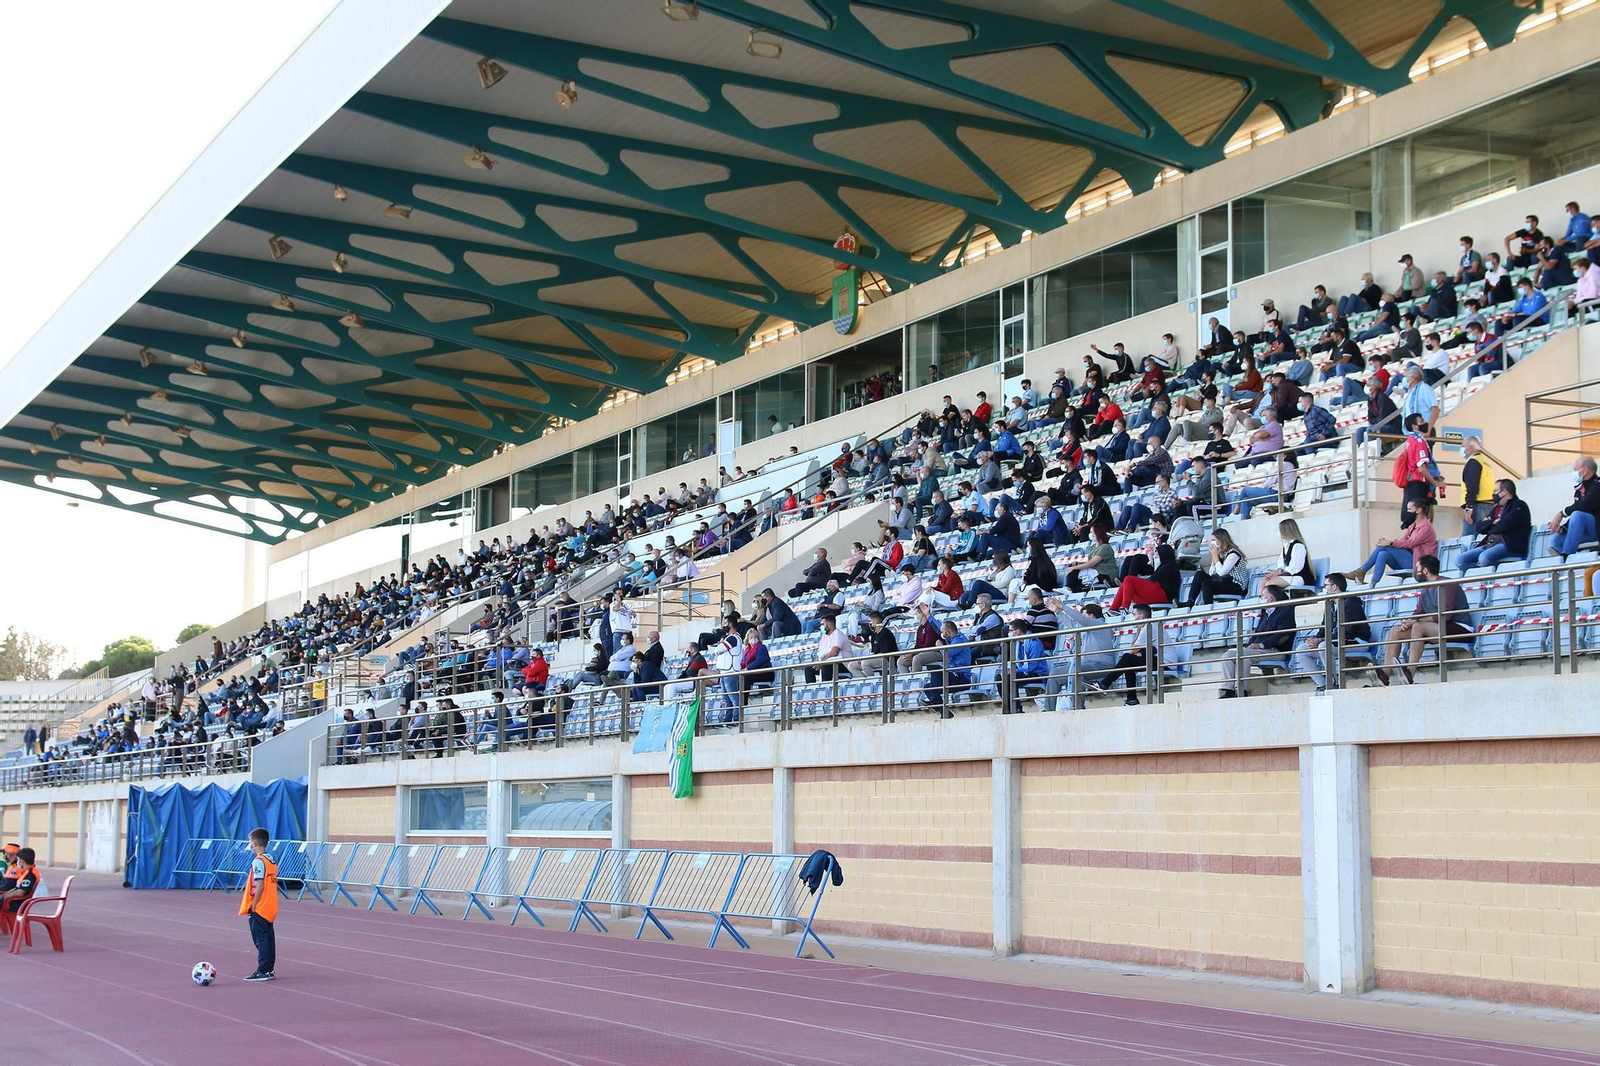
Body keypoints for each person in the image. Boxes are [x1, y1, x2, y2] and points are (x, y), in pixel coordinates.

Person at [1371, 555, 1473, 686]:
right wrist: (1408, 622)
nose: (1415, 572)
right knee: (1396, 631)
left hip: (1460, 627)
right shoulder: (1426, 589)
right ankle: (1385, 676)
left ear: (1425, 570)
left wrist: (1416, 621)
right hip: (1437, 627)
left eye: (1417, 568)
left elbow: (1445, 615)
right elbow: (1419, 611)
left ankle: (1409, 673)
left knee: (1418, 627)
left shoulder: (1446, 584)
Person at [1293, 573, 1371, 694]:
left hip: (1356, 641)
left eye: (1326, 585)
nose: (1323, 588)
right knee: (1301, 650)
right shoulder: (1330, 604)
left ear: (1334, 587)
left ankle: (1333, 683)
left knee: (1324, 646)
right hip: (1335, 642)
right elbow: (1324, 628)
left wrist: (1322, 640)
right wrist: (1314, 639)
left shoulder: (1351, 603)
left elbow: (1348, 632)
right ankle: (1322, 684)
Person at [1217, 585, 1298, 699]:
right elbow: (1256, 633)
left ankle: (1241, 690)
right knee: (1228, 655)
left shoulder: (1285, 611)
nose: (1260, 598)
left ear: (1270, 598)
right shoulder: (1265, 614)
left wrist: (1261, 645)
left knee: (1243, 656)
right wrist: (1248, 645)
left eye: (1262, 596)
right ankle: (1228, 690)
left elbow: (1283, 635)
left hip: (1276, 651)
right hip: (1260, 651)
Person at [1347, 498, 1436, 584]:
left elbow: (1410, 543)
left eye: (1409, 509)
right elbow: (1403, 541)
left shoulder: (1426, 527)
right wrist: (1389, 544)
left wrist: (1389, 543)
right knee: (1383, 554)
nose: (1407, 512)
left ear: (1418, 510)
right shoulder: (1413, 526)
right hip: (1409, 559)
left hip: (1419, 563)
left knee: (1383, 547)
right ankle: (1373, 584)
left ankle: (1361, 571)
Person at [1457, 479, 1531, 572]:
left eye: (1495, 491)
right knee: (1460, 560)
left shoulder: (1519, 506)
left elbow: (1503, 526)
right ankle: (1482, 576)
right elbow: (1479, 527)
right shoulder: (1497, 508)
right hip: (1491, 544)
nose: (1493, 494)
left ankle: (1497, 577)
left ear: (1504, 492)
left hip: (1509, 545)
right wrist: (1493, 523)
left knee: (1484, 558)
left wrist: (1492, 526)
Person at [239, 827, 278, 981]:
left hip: (260, 905)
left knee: (260, 938)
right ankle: (269, 969)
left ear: (255, 843)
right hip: (270, 904)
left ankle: (263, 969)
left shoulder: (258, 861)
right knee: (268, 938)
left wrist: (254, 905)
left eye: (250, 842)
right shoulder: (271, 859)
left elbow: (260, 885)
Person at [1096, 604, 1152, 706]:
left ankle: (1105, 684)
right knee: (1128, 663)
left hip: (1163, 660)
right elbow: (1135, 648)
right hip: (1154, 657)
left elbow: (1133, 649)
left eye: (1134, 614)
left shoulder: (1148, 627)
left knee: (1127, 658)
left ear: (1142, 616)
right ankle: (1131, 699)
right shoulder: (1144, 627)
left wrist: (1136, 651)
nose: (1133, 617)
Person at [1548, 456, 1600, 558]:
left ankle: (1567, 555)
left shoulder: (1598, 485)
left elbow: (1584, 505)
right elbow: (1578, 508)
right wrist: (1563, 529)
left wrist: (1562, 513)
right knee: (1556, 540)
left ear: (1585, 470)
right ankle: (1561, 569)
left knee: (1577, 514)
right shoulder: (1580, 490)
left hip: (1597, 530)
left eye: (1575, 469)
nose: (1574, 472)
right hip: (1586, 532)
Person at [1183, 529, 1247, 606]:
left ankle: (1208, 608)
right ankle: (1190, 601)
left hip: (1236, 585)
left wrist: (1216, 556)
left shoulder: (1233, 554)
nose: (1212, 543)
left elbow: (1222, 572)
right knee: (1199, 574)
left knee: (1207, 584)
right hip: (1224, 581)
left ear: (1220, 540)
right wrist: (1214, 557)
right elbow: (1212, 573)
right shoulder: (1221, 553)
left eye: (1213, 540)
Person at [1261, 518, 1315, 595]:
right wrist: (1276, 571)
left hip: (1300, 577)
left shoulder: (1298, 545)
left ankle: (1275, 602)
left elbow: (1295, 567)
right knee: (1264, 581)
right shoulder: (1286, 546)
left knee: (1270, 583)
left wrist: (1279, 572)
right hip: (1289, 576)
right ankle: (1263, 602)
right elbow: (1281, 563)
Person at [1458, 436, 1495, 533]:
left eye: (1463, 446)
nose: (1461, 449)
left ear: (1470, 448)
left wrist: (1469, 507)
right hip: (1487, 505)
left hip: (1477, 506)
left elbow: (1472, 486)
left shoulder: (1473, 462)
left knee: (1470, 540)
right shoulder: (1483, 462)